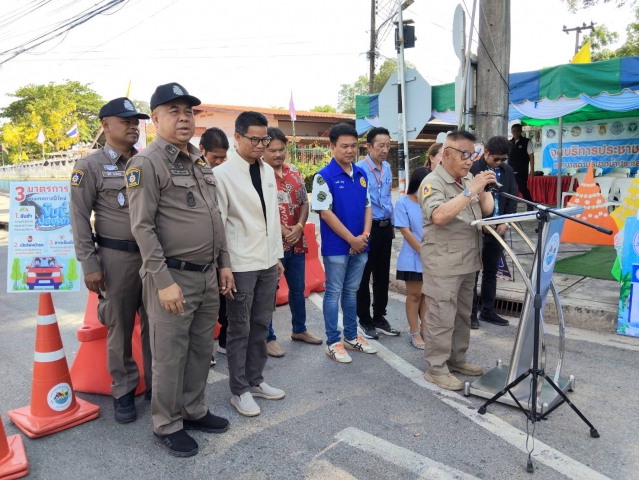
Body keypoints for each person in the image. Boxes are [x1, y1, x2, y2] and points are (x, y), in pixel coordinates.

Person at [126, 83, 233, 457]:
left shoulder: (198, 160)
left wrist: (223, 264)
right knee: (170, 356)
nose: (184, 117)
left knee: (201, 349)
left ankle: (193, 409)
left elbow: (214, 216)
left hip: (206, 274)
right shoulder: (147, 163)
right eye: (174, 111)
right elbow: (142, 228)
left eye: (188, 111)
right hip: (172, 277)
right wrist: (163, 281)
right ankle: (167, 423)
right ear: (155, 119)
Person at [70, 97, 152, 424]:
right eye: (126, 121)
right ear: (105, 125)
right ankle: (124, 389)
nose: (133, 126)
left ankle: (156, 385)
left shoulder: (147, 161)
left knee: (156, 325)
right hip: (116, 257)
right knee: (119, 326)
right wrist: (89, 264)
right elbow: (78, 217)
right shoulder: (90, 166)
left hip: (153, 257)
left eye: (136, 122)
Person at [214, 111, 286, 417]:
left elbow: (272, 218)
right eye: (254, 139)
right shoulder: (222, 175)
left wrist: (277, 256)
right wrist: (224, 266)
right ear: (237, 137)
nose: (260, 145)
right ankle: (239, 389)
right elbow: (218, 225)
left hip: (267, 261)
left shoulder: (267, 170)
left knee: (261, 324)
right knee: (239, 328)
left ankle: (255, 379)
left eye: (264, 140)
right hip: (240, 264)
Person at [419, 130, 496, 391]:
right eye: (465, 154)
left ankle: (456, 358)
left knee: (463, 314)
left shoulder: (468, 179)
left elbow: (486, 210)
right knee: (441, 316)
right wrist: (471, 190)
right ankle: (436, 368)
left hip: (468, 259)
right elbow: (439, 216)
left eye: (473, 155)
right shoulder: (433, 182)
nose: (469, 160)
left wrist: (483, 188)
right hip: (443, 262)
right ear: (448, 154)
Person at [312, 123, 376, 363]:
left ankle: (351, 336)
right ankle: (333, 342)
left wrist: (365, 235)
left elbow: (368, 206)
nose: (350, 150)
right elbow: (325, 213)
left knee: (351, 292)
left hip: (361, 244)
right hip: (337, 248)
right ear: (332, 147)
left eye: (353, 146)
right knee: (333, 293)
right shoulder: (323, 176)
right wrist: (352, 239)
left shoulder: (361, 174)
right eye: (344, 146)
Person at [262, 127, 322, 357]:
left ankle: (299, 329)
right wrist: (281, 230)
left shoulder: (294, 172)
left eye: (281, 149)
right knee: (269, 293)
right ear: (263, 150)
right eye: (272, 150)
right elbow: (258, 210)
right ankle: (268, 337)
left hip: (296, 242)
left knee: (298, 289)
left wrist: (299, 226)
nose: (278, 154)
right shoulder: (258, 175)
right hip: (271, 245)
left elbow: (304, 202)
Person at [355, 127, 400, 339]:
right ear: (369, 146)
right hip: (367, 228)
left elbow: (387, 198)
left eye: (388, 146)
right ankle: (364, 319)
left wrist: (391, 224)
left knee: (382, 276)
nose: (385, 150)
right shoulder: (359, 169)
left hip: (384, 227)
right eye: (380, 146)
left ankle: (379, 316)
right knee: (364, 276)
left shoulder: (387, 167)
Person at [470, 136, 518, 329]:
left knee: (491, 272)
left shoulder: (507, 171)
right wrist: (481, 221)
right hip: (478, 228)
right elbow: (469, 198)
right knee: (473, 273)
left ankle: (488, 311)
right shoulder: (473, 169)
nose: (499, 163)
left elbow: (512, 198)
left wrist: (506, 222)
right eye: (496, 159)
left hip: (498, 229)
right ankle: (470, 314)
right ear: (486, 152)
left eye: (503, 159)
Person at [199, 127, 230, 366]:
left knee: (225, 300)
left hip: (224, 248)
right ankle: (203, 350)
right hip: (201, 251)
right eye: (215, 157)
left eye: (223, 157)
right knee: (204, 307)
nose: (219, 161)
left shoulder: (226, 175)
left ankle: (225, 342)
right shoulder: (194, 173)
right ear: (202, 150)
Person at [394, 167, 430, 349]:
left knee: (427, 296)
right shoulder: (403, 203)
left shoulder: (430, 202)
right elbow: (406, 231)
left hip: (431, 257)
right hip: (413, 257)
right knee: (415, 295)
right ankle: (414, 332)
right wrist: (423, 251)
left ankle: (425, 330)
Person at [509, 124, 534, 210]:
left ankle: (530, 204)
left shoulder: (526, 142)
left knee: (522, 189)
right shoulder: (509, 143)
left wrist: (532, 170)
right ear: (511, 132)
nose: (515, 132)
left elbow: (531, 156)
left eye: (517, 130)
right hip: (510, 170)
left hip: (522, 170)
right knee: (510, 189)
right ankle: (511, 207)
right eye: (514, 131)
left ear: (520, 131)